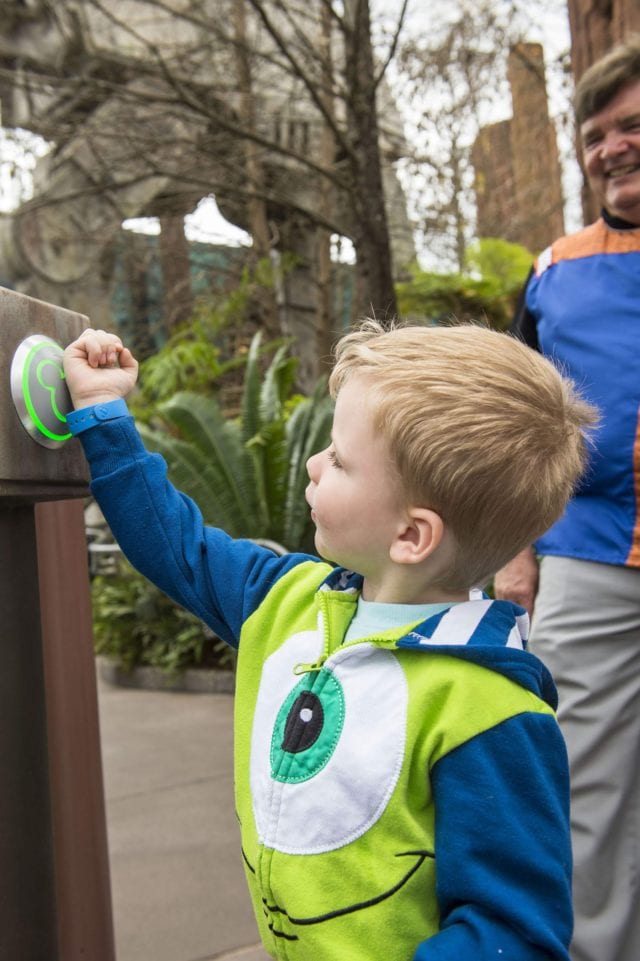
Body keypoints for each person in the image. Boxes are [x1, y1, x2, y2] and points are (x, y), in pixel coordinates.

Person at [64, 321, 595, 961]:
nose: (314, 465)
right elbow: (176, 546)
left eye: (339, 460)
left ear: (411, 536)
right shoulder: (286, 600)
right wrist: (103, 411)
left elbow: (515, 934)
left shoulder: (490, 714)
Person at [494, 37, 640, 961]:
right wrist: (516, 550)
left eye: (632, 126)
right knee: (582, 781)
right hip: (587, 552)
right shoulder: (555, 268)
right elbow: (519, 424)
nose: (613, 147)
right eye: (597, 136)